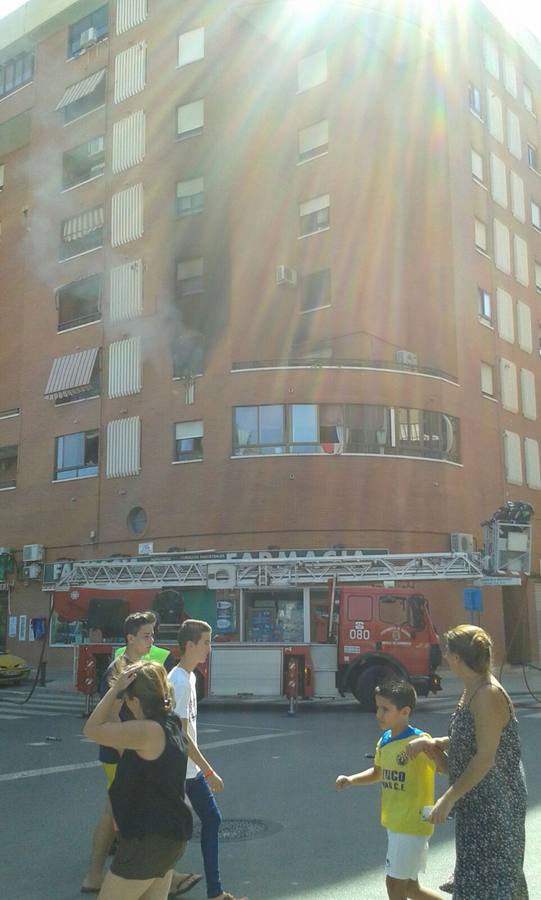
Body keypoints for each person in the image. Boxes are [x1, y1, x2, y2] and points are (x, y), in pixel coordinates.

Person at [82, 612, 200, 897]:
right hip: (171, 839)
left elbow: (93, 728)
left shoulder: (145, 732)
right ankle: (95, 874)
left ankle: (94, 875)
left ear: (134, 700)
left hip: (147, 843)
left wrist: (116, 691)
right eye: (147, 635)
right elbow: (117, 731)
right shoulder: (169, 723)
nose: (151, 640)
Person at [408, 624, 528, 900]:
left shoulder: (487, 694)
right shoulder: (472, 688)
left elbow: (485, 756)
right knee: (477, 877)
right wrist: (437, 743)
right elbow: (471, 734)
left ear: (459, 659)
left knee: (495, 879)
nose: (446, 658)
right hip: (477, 801)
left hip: (496, 804)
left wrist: (449, 798)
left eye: (448, 653)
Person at [336, 680, 445, 900]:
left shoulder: (419, 740)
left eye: (385, 709)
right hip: (395, 822)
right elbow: (378, 772)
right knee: (411, 889)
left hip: (411, 824)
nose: (379, 713)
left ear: (405, 712)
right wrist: (351, 780)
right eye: (378, 707)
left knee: (394, 885)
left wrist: (429, 746)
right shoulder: (384, 741)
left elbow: (444, 768)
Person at [168, 620, 247, 900]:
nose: (210, 649)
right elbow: (181, 736)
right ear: (189, 645)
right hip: (180, 773)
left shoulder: (189, 677)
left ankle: (215, 892)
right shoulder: (178, 681)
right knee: (173, 834)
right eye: (206, 642)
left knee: (210, 820)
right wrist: (209, 771)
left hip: (188, 771)